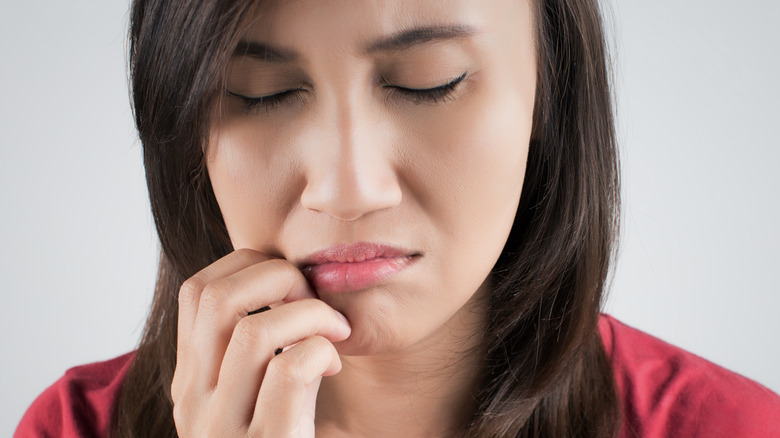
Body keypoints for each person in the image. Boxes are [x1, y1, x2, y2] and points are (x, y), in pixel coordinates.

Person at [15, 0, 780, 437]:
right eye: (259, 94)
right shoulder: (74, 427)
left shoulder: (730, 429)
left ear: (550, 86)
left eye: (427, 83)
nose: (347, 189)